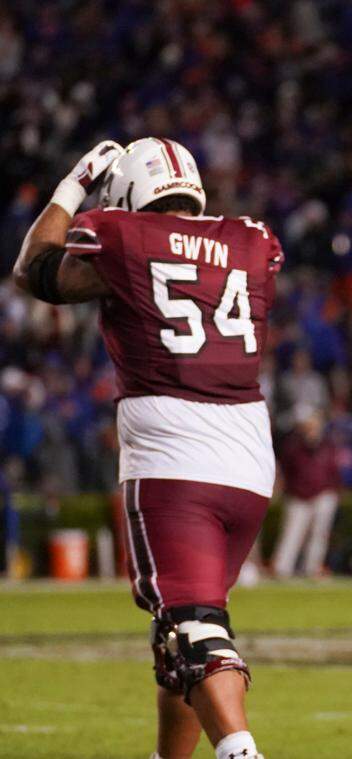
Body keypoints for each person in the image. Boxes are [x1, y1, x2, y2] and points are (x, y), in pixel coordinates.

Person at [12, 137, 282, 759]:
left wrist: (75, 183)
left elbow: (34, 270)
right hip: (248, 460)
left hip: (173, 455)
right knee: (182, 635)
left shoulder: (121, 234)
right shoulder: (251, 238)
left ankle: (240, 752)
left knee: (193, 632)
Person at [271, 406, 341, 578]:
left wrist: (335, 491)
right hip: (298, 495)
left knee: (319, 535)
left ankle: (313, 568)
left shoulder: (328, 444)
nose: (312, 428)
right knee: (292, 533)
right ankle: (282, 569)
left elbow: (334, 471)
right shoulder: (292, 445)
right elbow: (285, 471)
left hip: (324, 494)